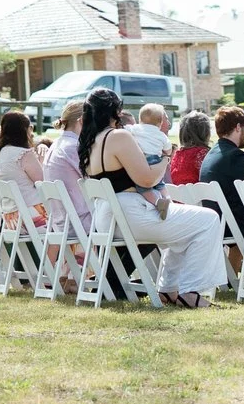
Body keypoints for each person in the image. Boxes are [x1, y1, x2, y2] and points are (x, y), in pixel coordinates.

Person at [81, 86, 227, 307]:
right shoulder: (118, 137)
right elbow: (147, 179)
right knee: (209, 219)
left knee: (187, 228)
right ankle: (190, 292)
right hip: (132, 215)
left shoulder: (90, 141)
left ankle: (169, 289)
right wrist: (166, 158)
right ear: (114, 111)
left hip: (109, 220)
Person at [199, 104, 244, 248]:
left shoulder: (211, 155)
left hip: (215, 221)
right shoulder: (236, 157)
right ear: (238, 127)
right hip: (232, 226)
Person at [0, 110, 49, 227]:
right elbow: (43, 182)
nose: (31, 133)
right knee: (71, 217)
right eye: (30, 128)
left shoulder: (0, 155)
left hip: (11, 220)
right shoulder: (23, 154)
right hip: (32, 215)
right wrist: (43, 159)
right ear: (24, 130)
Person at [43, 101, 93, 230]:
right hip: (81, 222)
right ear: (82, 121)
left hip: (62, 222)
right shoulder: (74, 147)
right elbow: (95, 182)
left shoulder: (57, 144)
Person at [168, 111, 211, 185]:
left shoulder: (177, 155)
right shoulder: (203, 154)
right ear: (206, 132)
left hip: (179, 192)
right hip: (200, 191)